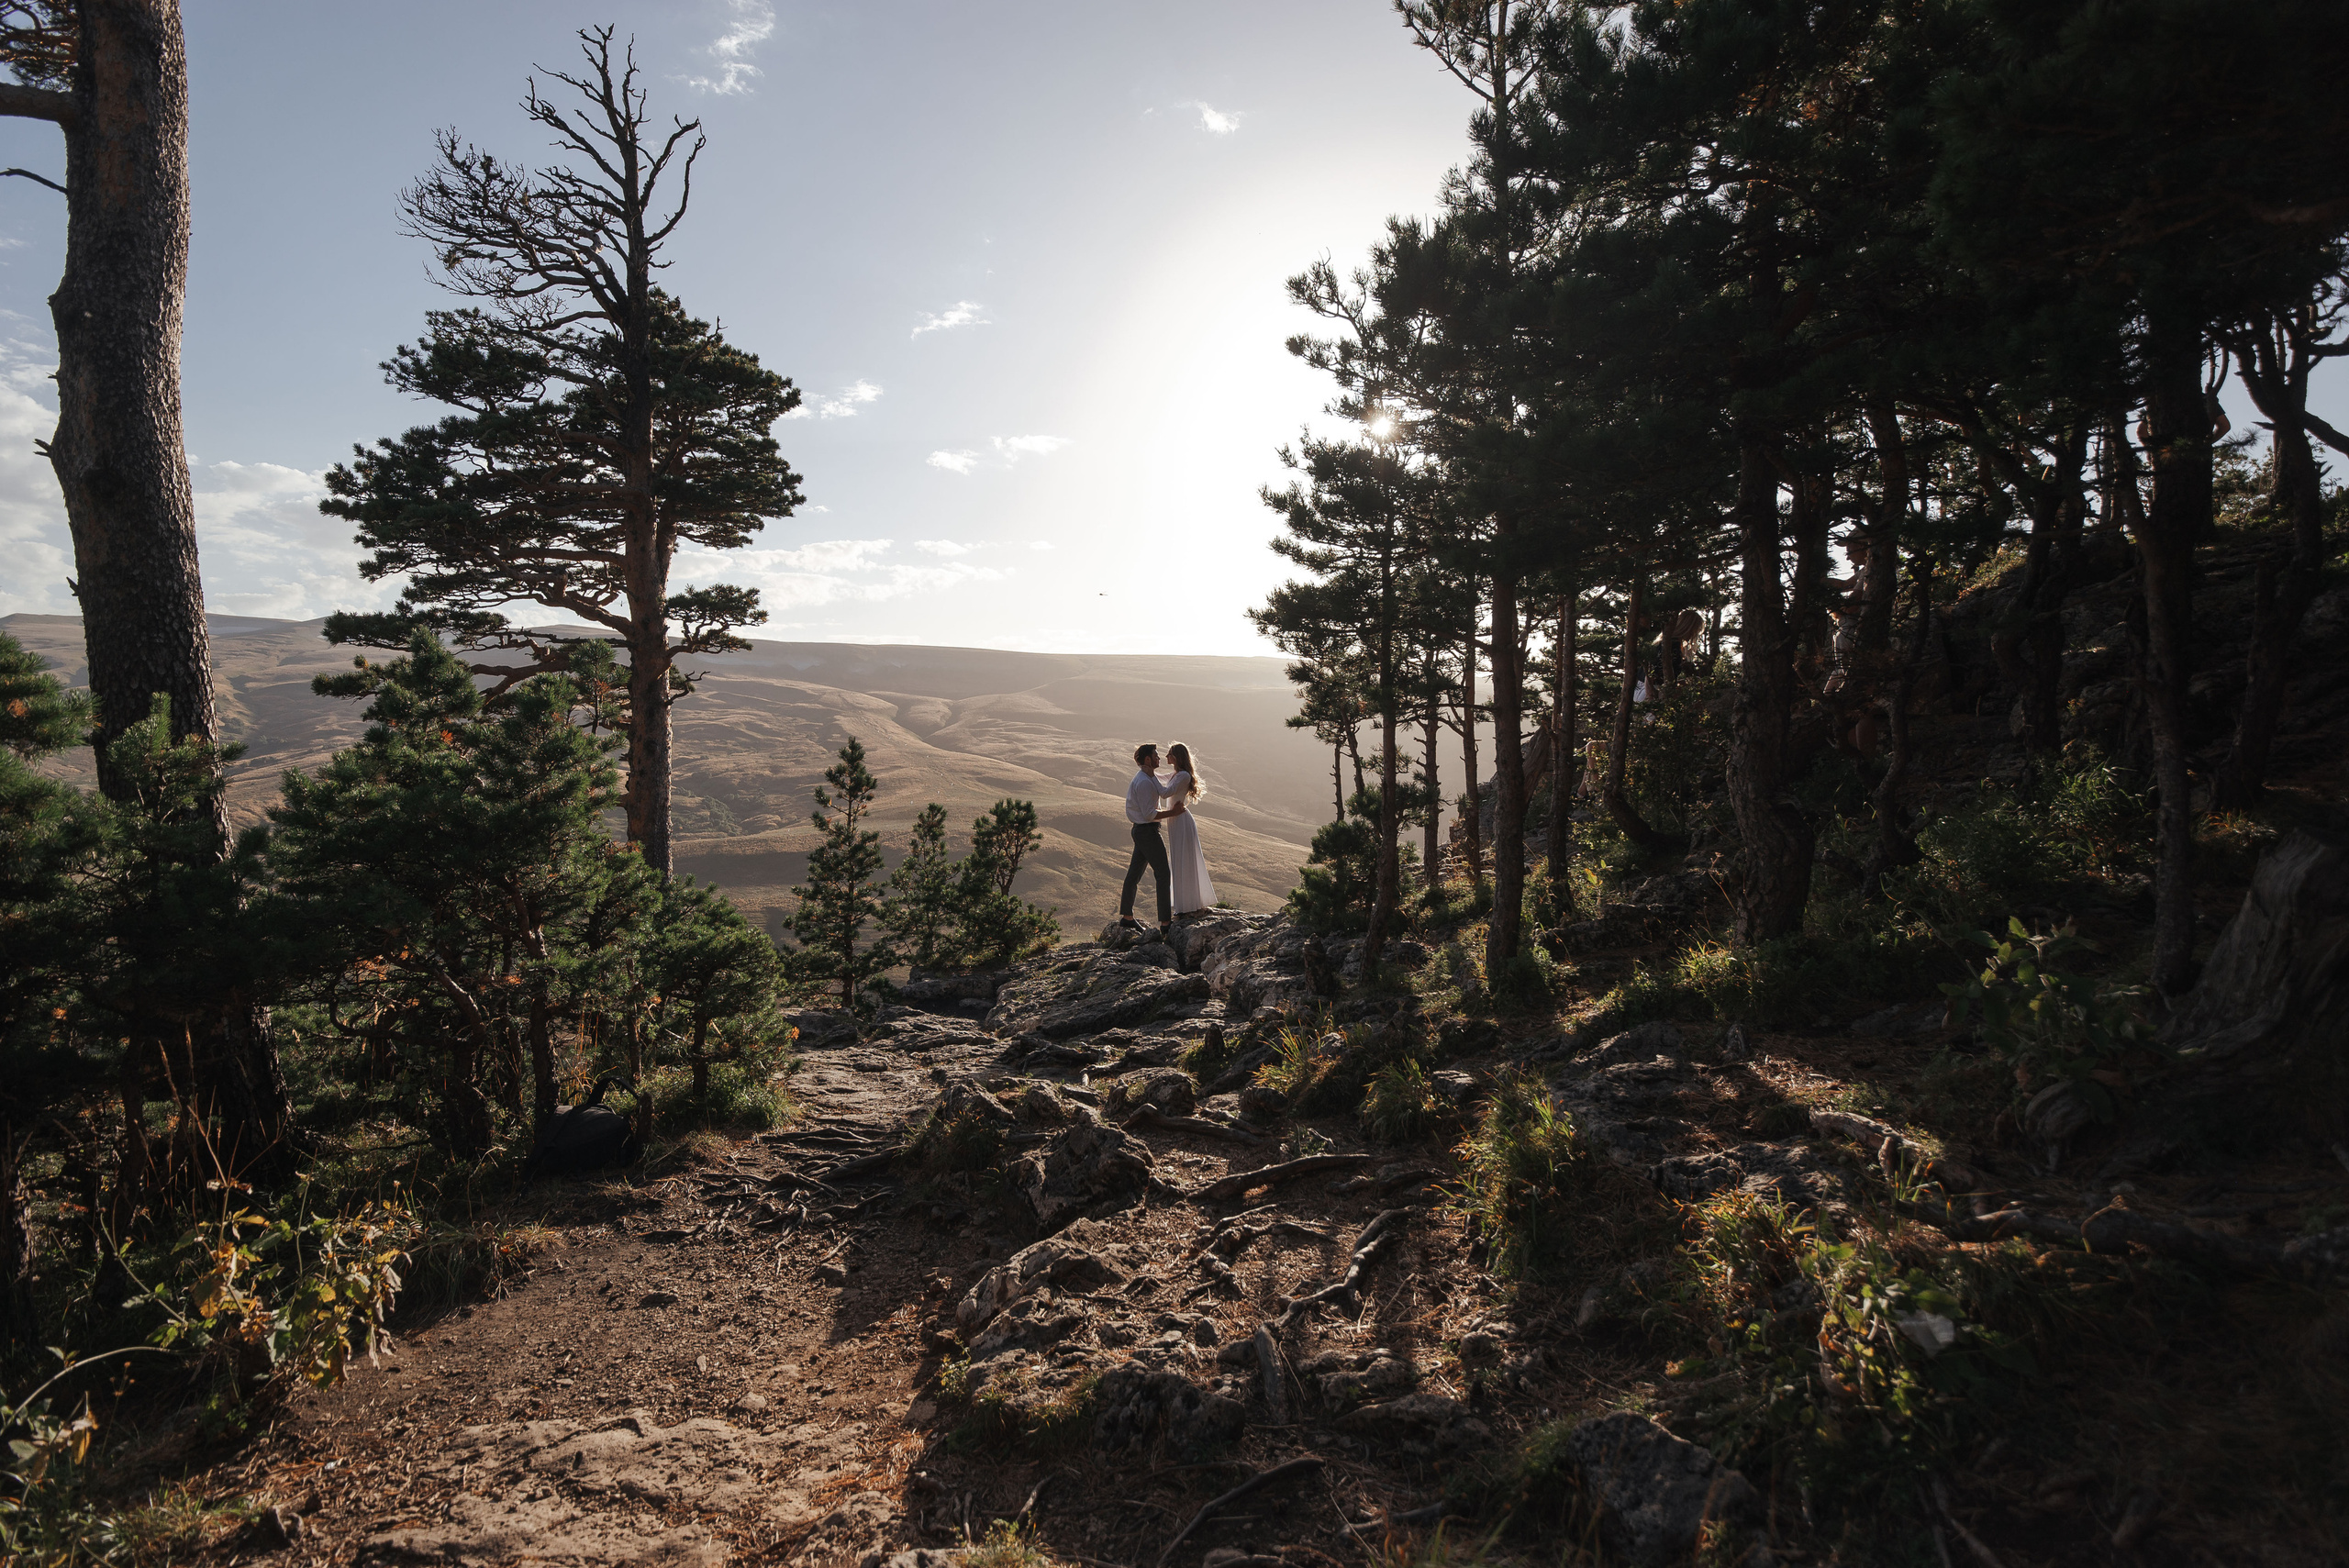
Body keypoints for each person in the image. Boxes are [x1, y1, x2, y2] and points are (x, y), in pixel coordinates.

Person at [1119, 741, 1184, 933]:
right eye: (1156, 755)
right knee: (1163, 873)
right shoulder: (1145, 783)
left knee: (1134, 874)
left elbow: (1163, 793)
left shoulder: (1149, 776)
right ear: (1147, 759)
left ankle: (1127, 917)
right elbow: (1149, 814)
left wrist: (1178, 775)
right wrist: (1174, 813)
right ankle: (1165, 923)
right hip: (1147, 831)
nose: (1158, 758)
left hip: (1142, 831)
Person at [1162, 742, 1217, 917]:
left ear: (1176, 757)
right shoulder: (1177, 774)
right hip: (1175, 820)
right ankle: (1185, 904)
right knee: (1180, 859)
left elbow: (1165, 792)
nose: (1165, 757)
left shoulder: (1183, 776)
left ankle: (1188, 904)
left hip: (1181, 821)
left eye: (1169, 754)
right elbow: (1158, 778)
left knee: (1184, 860)